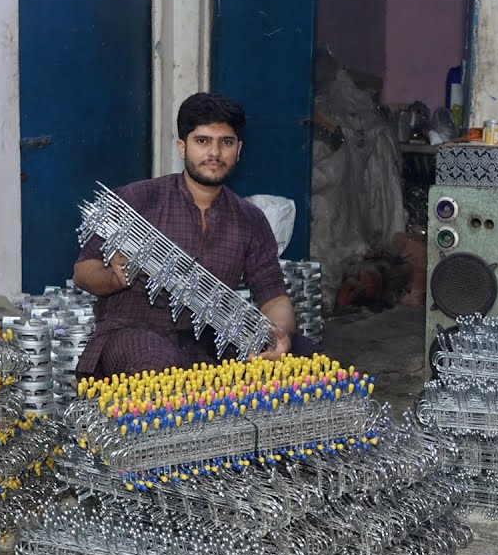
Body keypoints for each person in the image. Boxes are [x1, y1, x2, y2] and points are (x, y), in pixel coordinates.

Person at [73, 92, 318, 378]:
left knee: (309, 359)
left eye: (225, 142)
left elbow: (274, 298)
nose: (214, 153)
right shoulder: (136, 201)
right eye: (202, 141)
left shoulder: (250, 220)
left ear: (238, 149)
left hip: (212, 339)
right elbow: (82, 272)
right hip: (134, 330)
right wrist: (114, 277)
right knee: (162, 368)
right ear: (182, 147)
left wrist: (279, 335)